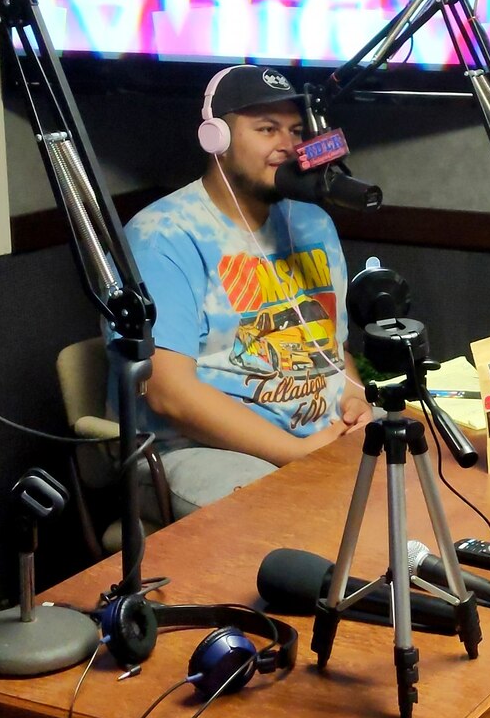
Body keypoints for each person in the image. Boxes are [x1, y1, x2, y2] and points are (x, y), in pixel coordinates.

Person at [123, 65, 371, 519]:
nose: (288, 145)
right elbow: (168, 393)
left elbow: (332, 352)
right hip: (199, 451)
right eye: (266, 129)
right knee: (290, 517)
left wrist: (356, 401)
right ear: (216, 138)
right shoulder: (163, 236)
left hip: (317, 436)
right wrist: (296, 455)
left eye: (296, 131)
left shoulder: (313, 223)